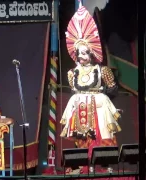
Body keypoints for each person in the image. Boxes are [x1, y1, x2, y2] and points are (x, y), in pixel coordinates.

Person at [60, 3, 121, 174]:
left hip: (99, 107)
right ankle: (82, 165)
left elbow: (113, 88)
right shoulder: (72, 73)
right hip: (80, 107)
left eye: (85, 53)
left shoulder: (102, 71)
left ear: (91, 53)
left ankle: (105, 165)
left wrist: (102, 96)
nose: (81, 56)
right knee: (81, 137)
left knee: (103, 135)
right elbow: (73, 89)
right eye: (79, 53)